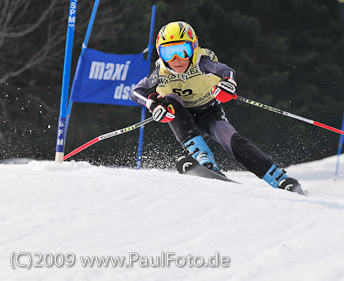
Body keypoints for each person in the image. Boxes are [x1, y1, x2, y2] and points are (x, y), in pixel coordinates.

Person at [131, 21, 305, 195]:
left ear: (193, 47)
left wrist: (227, 84)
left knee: (232, 140)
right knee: (169, 99)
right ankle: (203, 158)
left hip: (210, 114)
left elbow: (225, 71)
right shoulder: (161, 72)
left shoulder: (201, 62)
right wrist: (153, 105)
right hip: (183, 119)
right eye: (168, 53)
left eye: (182, 51)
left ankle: (278, 178)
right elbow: (136, 91)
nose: (176, 59)